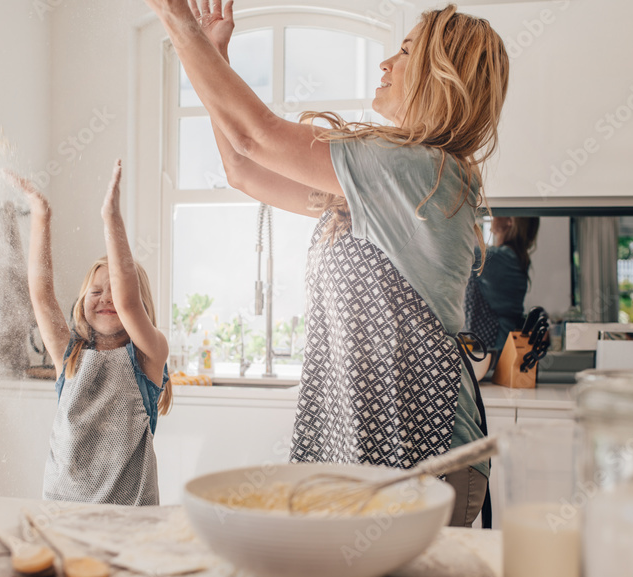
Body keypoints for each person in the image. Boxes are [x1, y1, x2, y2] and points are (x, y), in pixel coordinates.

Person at [144, 0, 508, 526]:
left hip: (426, 456)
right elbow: (243, 169)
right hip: (382, 450)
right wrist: (212, 51)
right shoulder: (398, 176)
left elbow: (255, 135)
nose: (385, 64)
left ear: (438, 74)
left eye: (404, 51)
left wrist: (178, 22)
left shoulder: (414, 170)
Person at [11, 161, 172, 505]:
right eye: (95, 291)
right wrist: (41, 216)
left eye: (114, 288)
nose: (106, 298)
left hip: (129, 512)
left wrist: (111, 219)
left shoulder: (148, 355)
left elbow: (128, 304)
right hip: (61, 505)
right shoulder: (69, 354)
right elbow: (41, 294)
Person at [464, 216, 541, 353]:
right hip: (494, 344)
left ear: (510, 220)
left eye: (497, 213)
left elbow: (462, 252)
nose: (492, 217)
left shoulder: (505, 257)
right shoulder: (510, 256)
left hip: (496, 346)